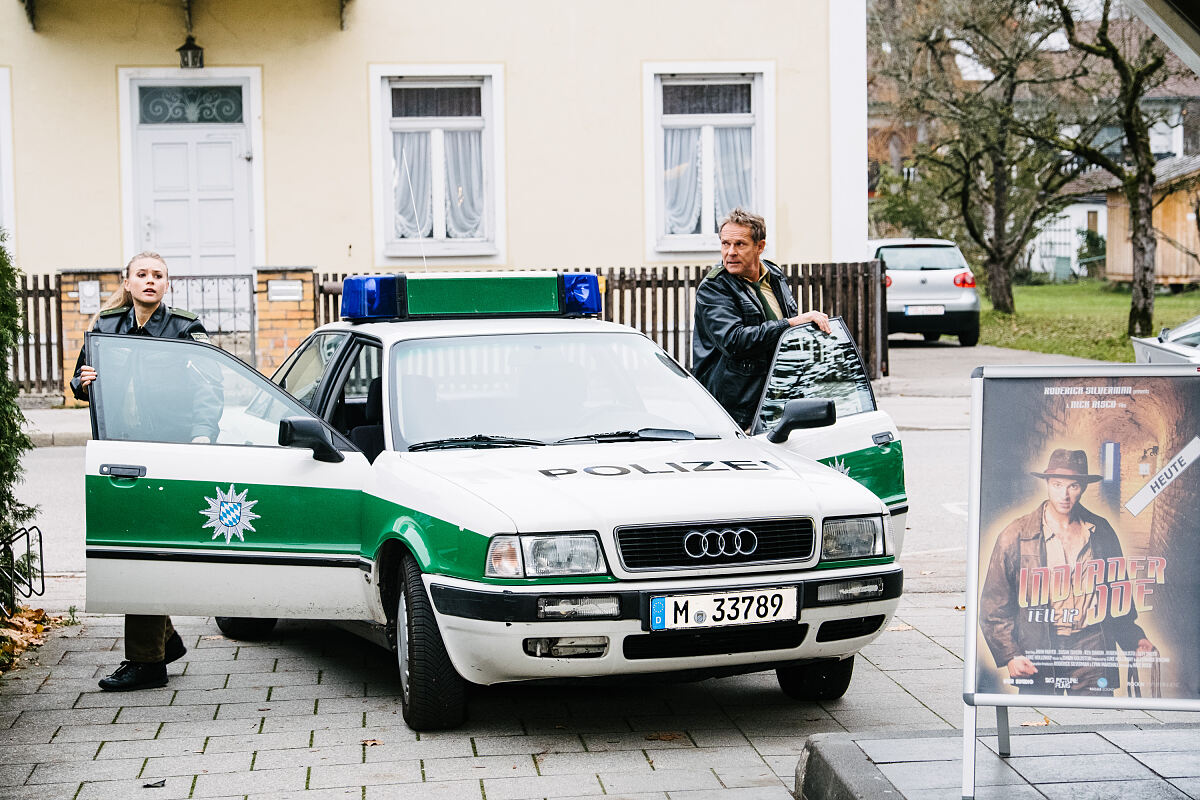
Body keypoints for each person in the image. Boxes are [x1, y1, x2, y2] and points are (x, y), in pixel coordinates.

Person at [72, 251, 217, 691]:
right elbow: (80, 382)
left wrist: (203, 435)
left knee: (143, 550)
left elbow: (210, 386)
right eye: (142, 274)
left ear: (166, 285)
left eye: (158, 275)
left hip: (166, 453)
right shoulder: (105, 326)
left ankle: (148, 662)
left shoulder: (184, 329)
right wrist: (82, 383)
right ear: (128, 282)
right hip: (119, 451)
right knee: (133, 547)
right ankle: (162, 641)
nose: (150, 280)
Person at [980, 448, 1155, 696]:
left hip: (1091, 647)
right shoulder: (1015, 535)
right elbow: (993, 606)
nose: (1064, 494)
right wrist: (1011, 655)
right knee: (1040, 716)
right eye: (1057, 485)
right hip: (1038, 649)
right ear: (1047, 484)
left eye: (1073, 486)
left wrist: (1134, 638)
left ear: (1083, 488)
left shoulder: (1101, 531)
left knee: (1095, 714)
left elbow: (1117, 596)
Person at [691, 208, 831, 430]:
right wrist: (791, 323)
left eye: (740, 244)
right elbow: (734, 340)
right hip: (735, 411)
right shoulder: (714, 288)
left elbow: (785, 336)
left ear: (760, 246)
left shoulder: (773, 275)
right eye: (725, 244)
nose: (730, 252)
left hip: (777, 400)